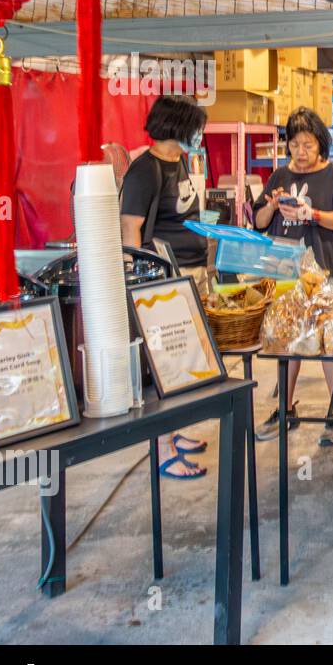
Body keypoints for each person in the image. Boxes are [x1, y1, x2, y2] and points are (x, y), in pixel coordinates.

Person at [119, 94, 210, 479]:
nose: (201, 135)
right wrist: (142, 287)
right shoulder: (145, 170)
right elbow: (130, 231)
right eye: (197, 128)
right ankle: (162, 447)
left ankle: (177, 429)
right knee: (164, 362)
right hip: (163, 282)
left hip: (192, 274)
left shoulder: (182, 162)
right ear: (178, 127)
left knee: (186, 360)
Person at [254, 107, 333, 444]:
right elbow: (258, 222)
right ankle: (284, 408)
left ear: (321, 145)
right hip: (285, 274)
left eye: (308, 145)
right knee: (286, 341)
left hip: (326, 271)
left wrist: (311, 214)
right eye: (295, 144)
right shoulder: (279, 177)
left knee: (329, 343)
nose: (301, 152)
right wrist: (271, 205)